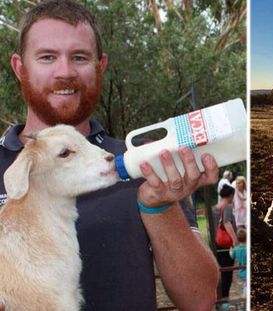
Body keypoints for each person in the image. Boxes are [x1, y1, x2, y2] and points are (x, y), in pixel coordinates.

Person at [0, 1, 219, 310]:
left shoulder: (140, 163)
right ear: (20, 67)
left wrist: (159, 207)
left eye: (79, 57)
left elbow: (200, 300)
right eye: (47, 57)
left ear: (100, 65)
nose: (65, 72)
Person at [213, 184, 238, 309]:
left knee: (220, 271)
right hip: (226, 244)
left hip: (215, 245)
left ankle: (218, 299)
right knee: (227, 273)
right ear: (230, 195)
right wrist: (235, 240)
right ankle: (224, 300)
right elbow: (227, 222)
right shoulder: (227, 206)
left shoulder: (214, 208)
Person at [230, 227, 247, 296]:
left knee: (245, 283)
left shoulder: (235, 249)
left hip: (241, 271)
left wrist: (231, 250)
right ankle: (246, 294)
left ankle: (245, 294)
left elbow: (232, 256)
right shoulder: (247, 249)